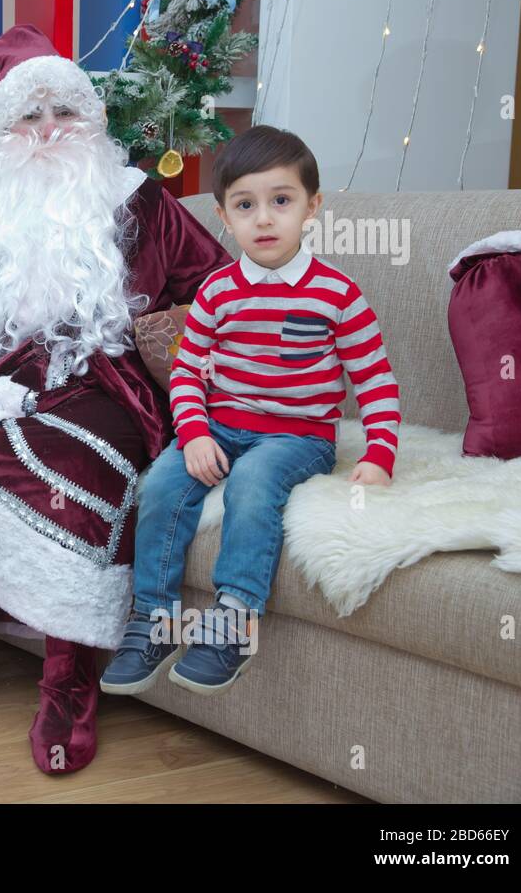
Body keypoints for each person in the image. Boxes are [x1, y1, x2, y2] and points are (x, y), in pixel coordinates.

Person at [0, 24, 233, 774]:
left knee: (78, 488)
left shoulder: (143, 206)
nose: (46, 135)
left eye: (63, 116)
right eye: (26, 120)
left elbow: (217, 294)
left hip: (101, 383)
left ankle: (69, 679)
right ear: (0, 133)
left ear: (92, 124)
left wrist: (179, 351)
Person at [100, 124, 401, 699]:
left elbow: (375, 379)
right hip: (220, 426)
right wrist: (191, 435)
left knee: (255, 483)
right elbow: (188, 372)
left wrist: (380, 454)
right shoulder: (217, 292)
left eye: (281, 202)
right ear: (224, 216)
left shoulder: (336, 293)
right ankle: (153, 620)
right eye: (246, 205)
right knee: (161, 482)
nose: (264, 219)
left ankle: (234, 620)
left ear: (311, 207)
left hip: (297, 437)